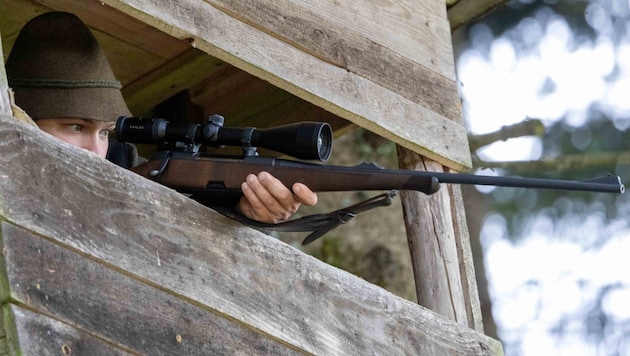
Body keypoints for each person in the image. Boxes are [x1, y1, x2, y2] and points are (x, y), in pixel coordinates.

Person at [6, 11, 317, 223]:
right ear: (21, 118)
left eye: (104, 132)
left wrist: (242, 213)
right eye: (75, 126)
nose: (96, 152)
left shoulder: (126, 168)